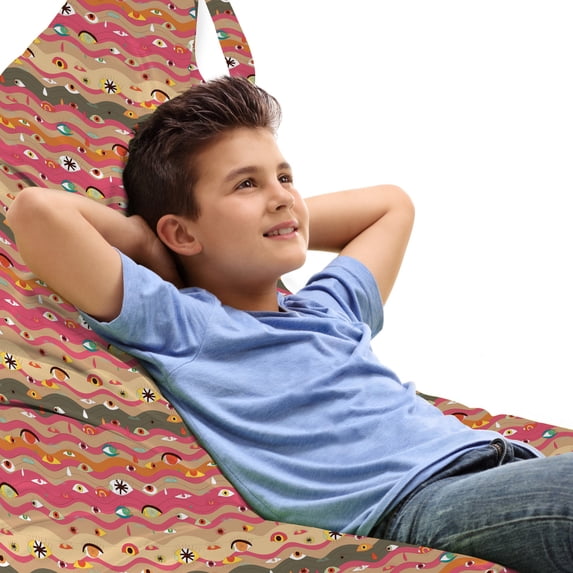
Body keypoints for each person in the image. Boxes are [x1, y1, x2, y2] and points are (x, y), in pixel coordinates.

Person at [7, 76, 573, 573]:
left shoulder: (329, 310)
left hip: (498, 462)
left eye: (284, 177)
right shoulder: (189, 327)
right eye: (246, 184)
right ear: (180, 232)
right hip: (416, 503)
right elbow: (37, 213)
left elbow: (391, 205)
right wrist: (151, 245)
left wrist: (278, 217)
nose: (281, 196)